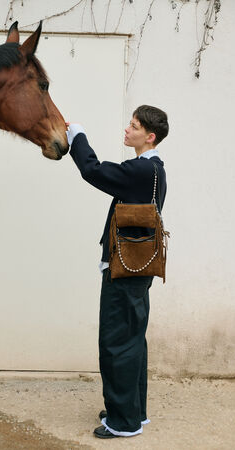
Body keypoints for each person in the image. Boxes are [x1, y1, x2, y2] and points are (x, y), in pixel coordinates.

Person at [66, 105, 169, 439]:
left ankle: (123, 422)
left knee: (116, 342)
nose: (127, 129)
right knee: (132, 339)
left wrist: (76, 135)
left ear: (149, 136)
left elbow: (93, 171)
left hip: (124, 270)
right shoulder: (156, 170)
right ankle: (131, 410)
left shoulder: (141, 170)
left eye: (134, 126)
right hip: (138, 269)